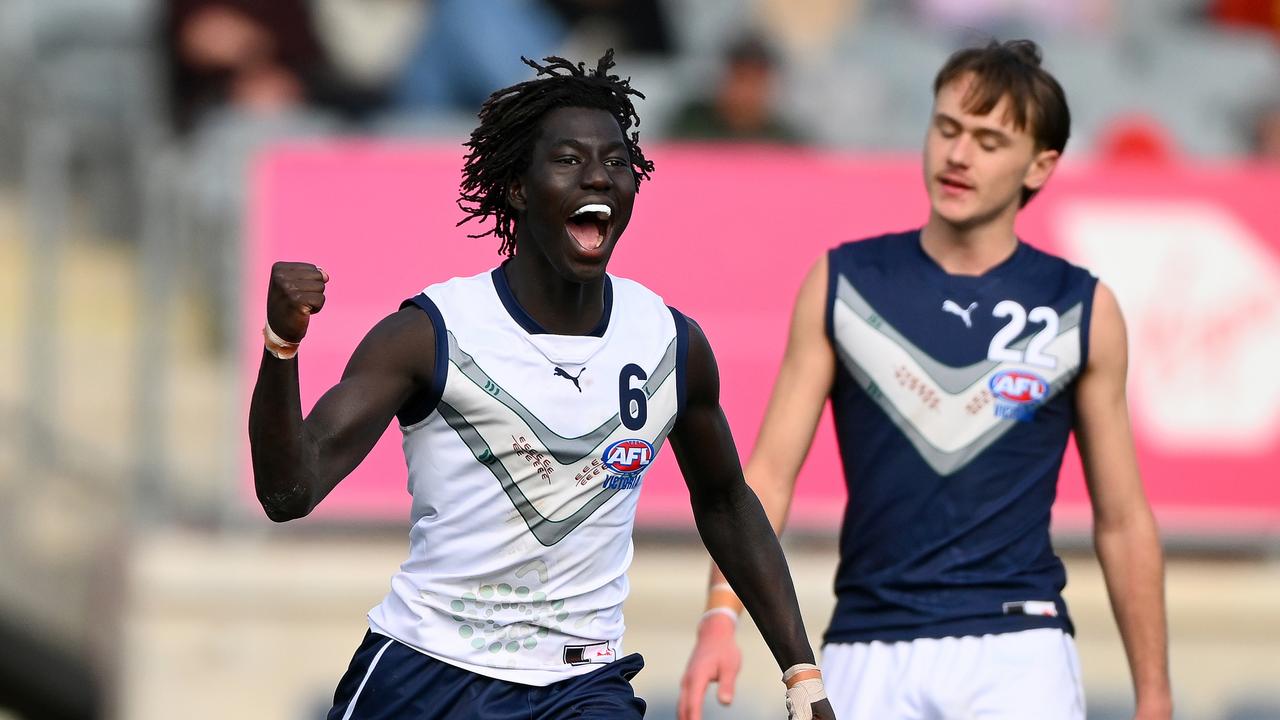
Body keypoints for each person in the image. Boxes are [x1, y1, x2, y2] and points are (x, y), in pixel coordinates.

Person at [248, 51, 836, 720]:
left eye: (617, 162)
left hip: (582, 686)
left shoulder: (671, 344)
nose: (598, 176)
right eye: (569, 159)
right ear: (519, 188)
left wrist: (801, 674)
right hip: (427, 677)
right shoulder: (431, 333)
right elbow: (287, 492)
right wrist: (281, 344)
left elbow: (728, 504)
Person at [678, 39, 1171, 720]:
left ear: (1041, 166)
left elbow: (1122, 520)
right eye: (946, 128)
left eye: (990, 141)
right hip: (863, 644)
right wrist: (721, 616)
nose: (958, 154)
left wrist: (1155, 694)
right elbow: (767, 478)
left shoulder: (1081, 307)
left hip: (1019, 647)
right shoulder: (844, 282)